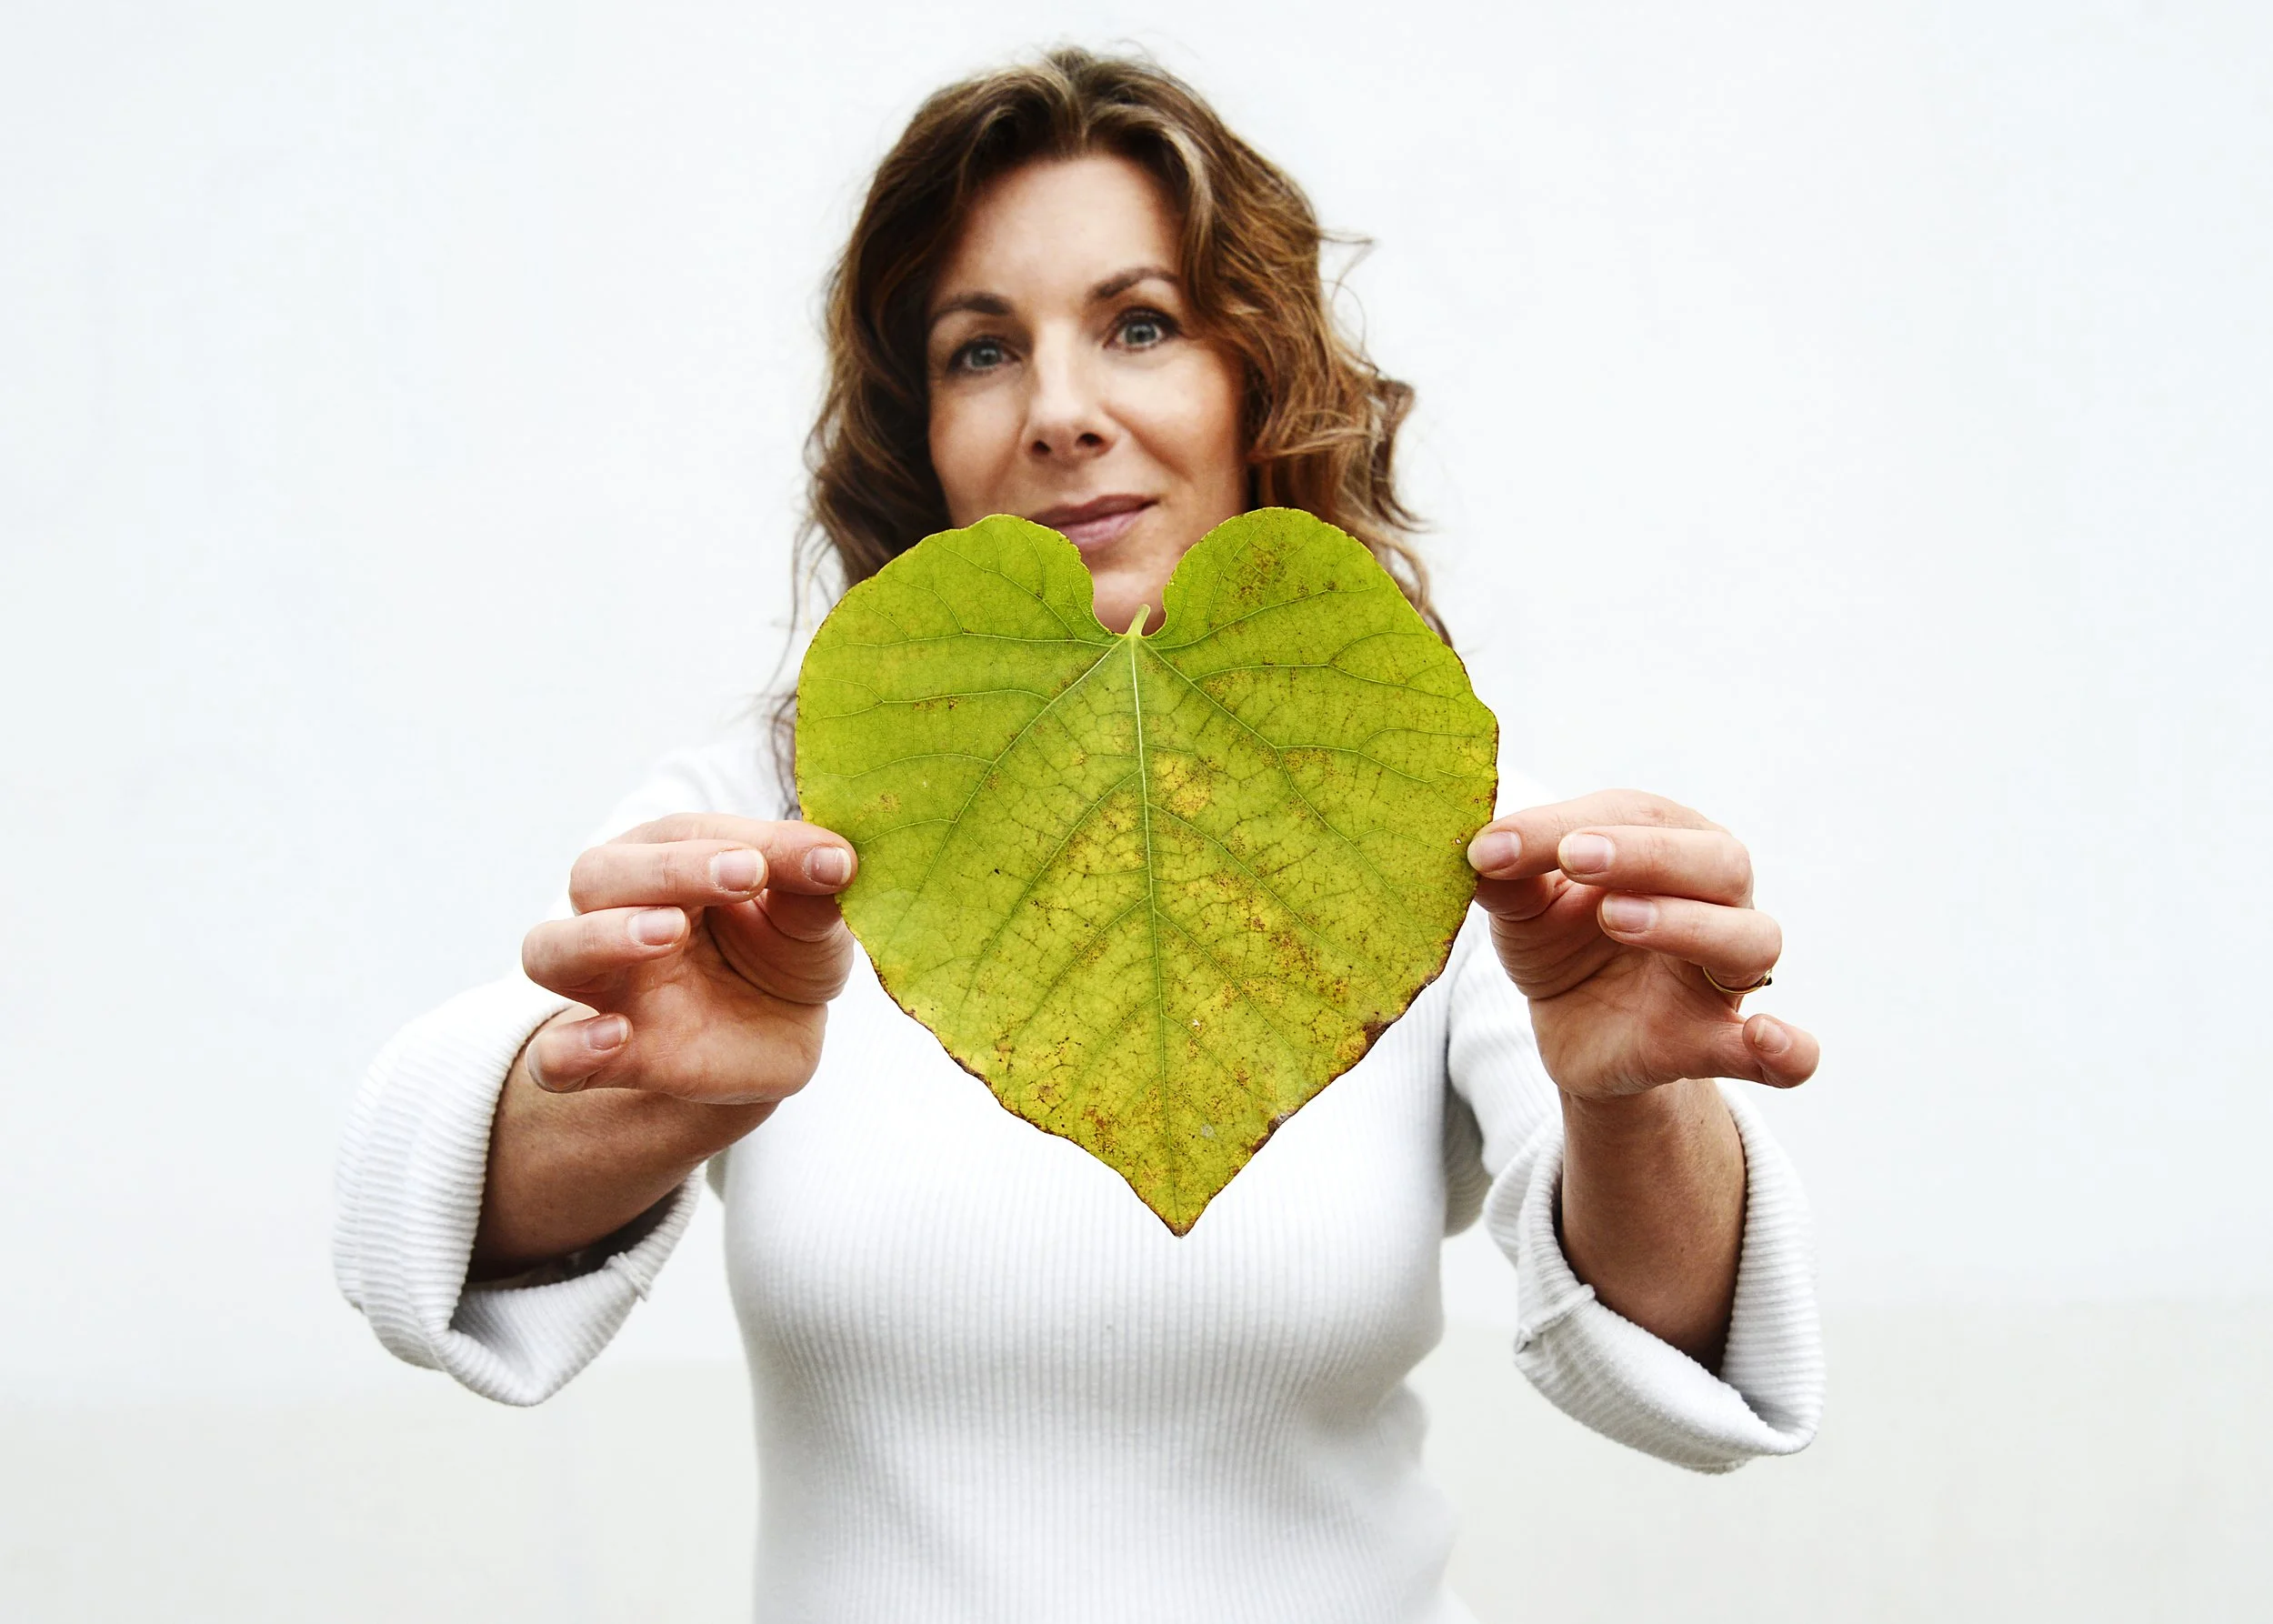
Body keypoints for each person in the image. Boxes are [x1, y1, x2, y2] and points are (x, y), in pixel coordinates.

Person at [334, 47, 1823, 1622]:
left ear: (1255, 373)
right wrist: (646, 1097)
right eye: (982, 351)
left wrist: (1636, 1101)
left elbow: (1681, 1360)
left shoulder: (1439, 815)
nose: (1061, 412)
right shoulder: (773, 828)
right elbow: (410, 1211)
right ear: (922, 426)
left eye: (1139, 325)